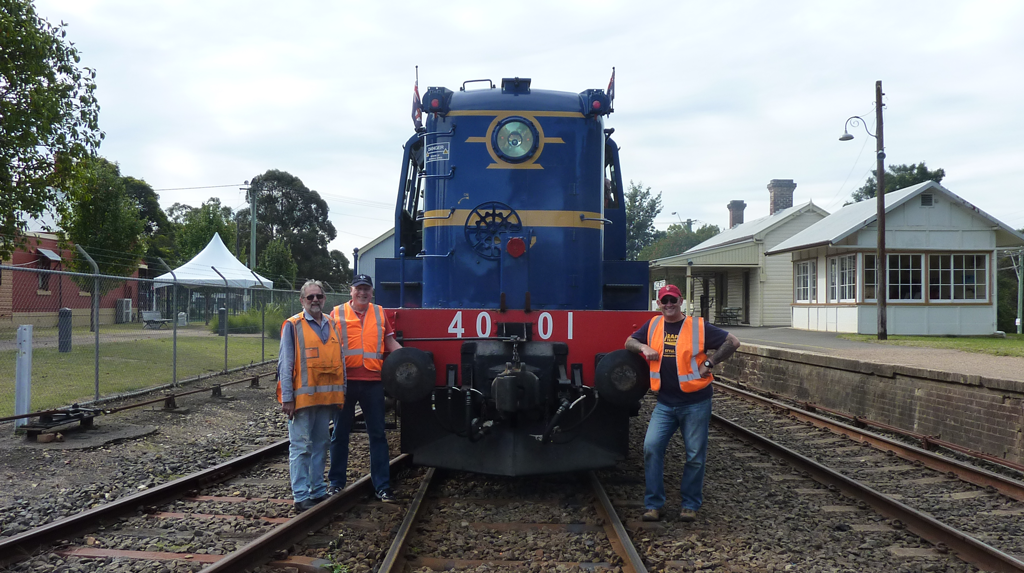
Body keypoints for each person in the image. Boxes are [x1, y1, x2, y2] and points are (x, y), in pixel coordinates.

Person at [625, 284, 740, 523]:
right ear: (658, 303)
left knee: (695, 455)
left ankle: (689, 504)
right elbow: (629, 342)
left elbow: (733, 342)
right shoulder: (654, 324)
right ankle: (654, 504)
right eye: (664, 300)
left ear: (681, 301)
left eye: (673, 300)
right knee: (651, 448)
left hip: (695, 402)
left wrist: (710, 363)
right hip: (665, 404)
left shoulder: (697, 326)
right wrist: (643, 346)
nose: (669, 304)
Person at [328, 274, 402, 502]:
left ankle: (382, 485)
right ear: (351, 291)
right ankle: (336, 483)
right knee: (339, 433)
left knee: (378, 435)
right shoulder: (336, 313)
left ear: (372, 292)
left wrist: (406, 358)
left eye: (366, 289)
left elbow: (390, 342)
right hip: (345, 383)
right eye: (358, 289)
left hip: (372, 383)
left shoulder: (380, 313)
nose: (362, 293)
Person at [277, 280, 346, 512]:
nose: (315, 300)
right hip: (301, 401)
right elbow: (285, 364)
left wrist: (341, 393)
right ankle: (300, 495)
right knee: (301, 447)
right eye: (310, 297)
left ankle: (317, 491)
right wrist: (287, 397)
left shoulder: (332, 324)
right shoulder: (293, 325)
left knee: (321, 444)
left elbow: (340, 361)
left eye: (319, 296)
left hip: (326, 400)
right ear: (302, 300)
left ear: (324, 299)